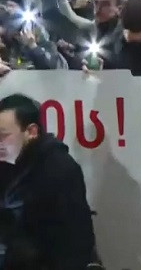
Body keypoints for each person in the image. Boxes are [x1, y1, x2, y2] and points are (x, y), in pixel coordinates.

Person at [0, 94, 97, 268]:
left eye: (3, 136)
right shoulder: (7, 164)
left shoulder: (59, 169)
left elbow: (77, 243)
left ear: (31, 132)